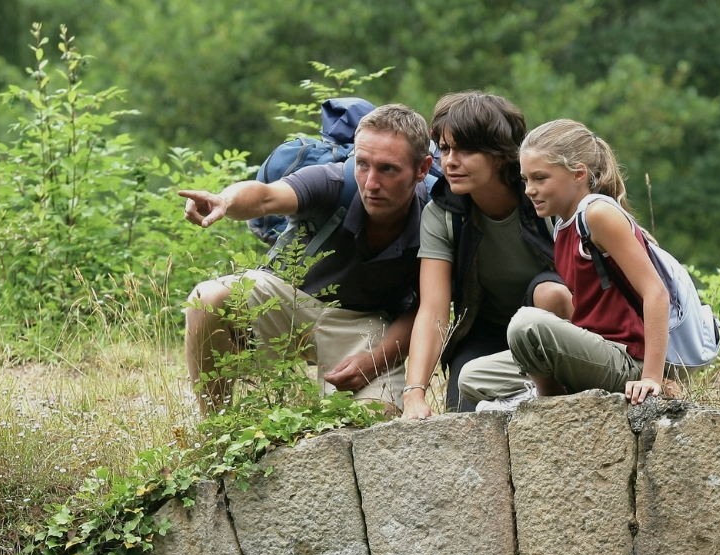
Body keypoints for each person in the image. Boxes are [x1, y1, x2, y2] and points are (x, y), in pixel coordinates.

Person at [178, 104, 434, 415]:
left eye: (388, 169)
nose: (370, 183)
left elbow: (427, 309)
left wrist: (374, 362)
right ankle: (215, 429)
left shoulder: (436, 216)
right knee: (207, 298)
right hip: (288, 297)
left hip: (364, 324)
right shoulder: (335, 182)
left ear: (422, 170)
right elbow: (265, 197)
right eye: (363, 164)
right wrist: (225, 200)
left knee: (378, 419)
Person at [456, 118, 669, 407]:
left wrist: (652, 378)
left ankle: (548, 404)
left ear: (578, 174)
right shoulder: (561, 224)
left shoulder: (598, 214)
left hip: (627, 360)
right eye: (526, 179)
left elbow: (656, 292)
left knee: (526, 325)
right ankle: (551, 395)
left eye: (540, 178)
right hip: (591, 351)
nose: (529, 190)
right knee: (472, 376)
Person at [399, 92, 571, 418]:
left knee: (549, 292)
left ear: (500, 155)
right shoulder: (443, 213)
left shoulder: (543, 199)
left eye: (466, 150)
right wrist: (414, 394)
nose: (449, 161)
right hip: (487, 333)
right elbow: (434, 310)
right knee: (462, 414)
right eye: (445, 149)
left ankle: (557, 393)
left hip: (557, 327)